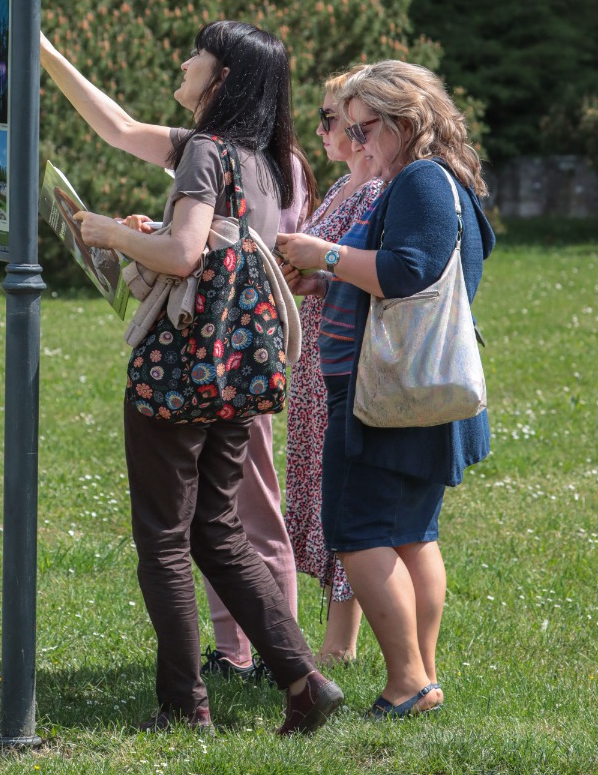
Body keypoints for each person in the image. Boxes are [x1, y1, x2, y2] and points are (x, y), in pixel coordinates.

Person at [40, 22, 344, 735]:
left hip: (180, 373)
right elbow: (117, 128)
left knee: (165, 541)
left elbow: (180, 255)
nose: (185, 60)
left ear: (224, 78)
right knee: (219, 533)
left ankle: (185, 710)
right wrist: (47, 51)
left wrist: (110, 232)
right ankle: (304, 681)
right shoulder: (270, 162)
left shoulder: (205, 153)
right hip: (240, 373)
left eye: (197, 54)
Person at [276, 60, 494, 719]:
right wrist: (329, 280)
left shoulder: (422, 181)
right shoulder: (439, 179)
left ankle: (408, 681)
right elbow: (400, 276)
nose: (356, 138)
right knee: (410, 535)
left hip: (388, 397)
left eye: (364, 126)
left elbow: (407, 272)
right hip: (411, 392)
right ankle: (419, 676)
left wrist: (325, 257)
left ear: (404, 122)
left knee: (360, 531)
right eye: (347, 126)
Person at [200, 147, 316, 682]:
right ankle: (233, 650)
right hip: (212, 351)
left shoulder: (270, 161)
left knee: (253, 505)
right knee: (214, 511)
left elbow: (256, 251)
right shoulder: (224, 152)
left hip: (242, 353)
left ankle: (280, 651)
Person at [282, 71, 383, 667]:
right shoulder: (345, 186)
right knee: (318, 490)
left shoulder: (375, 191)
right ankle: (328, 638)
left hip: (345, 356)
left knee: (342, 493)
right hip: (317, 356)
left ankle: (339, 646)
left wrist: (316, 268)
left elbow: (365, 270)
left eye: (332, 118)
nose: (322, 129)